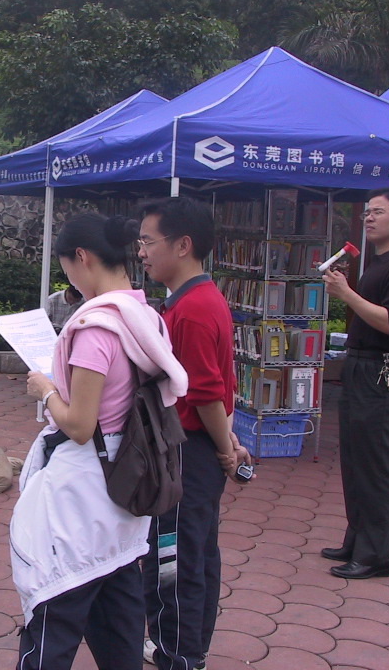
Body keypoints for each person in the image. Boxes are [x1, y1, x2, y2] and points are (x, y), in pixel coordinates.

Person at [13, 212, 188, 670]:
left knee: (55, 615)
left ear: (83, 258)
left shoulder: (96, 329)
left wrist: (46, 389)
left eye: (66, 265)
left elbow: (79, 425)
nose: (68, 277)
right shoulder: (146, 318)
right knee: (120, 624)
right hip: (127, 494)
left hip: (83, 500)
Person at [136, 197, 251, 670]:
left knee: (175, 559)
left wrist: (227, 451)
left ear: (182, 245)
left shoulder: (194, 308)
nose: (141, 252)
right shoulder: (195, 299)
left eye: (148, 241)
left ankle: (178, 654)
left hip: (189, 453)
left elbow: (205, 392)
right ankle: (188, 648)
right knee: (195, 552)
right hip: (198, 450)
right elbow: (217, 387)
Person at [321, 188, 389, 579]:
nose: (369, 217)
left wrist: (347, 295)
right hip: (361, 367)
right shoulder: (379, 263)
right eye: (367, 212)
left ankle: (377, 554)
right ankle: (357, 537)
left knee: (377, 465)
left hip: (383, 370)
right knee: (355, 458)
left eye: (378, 212)